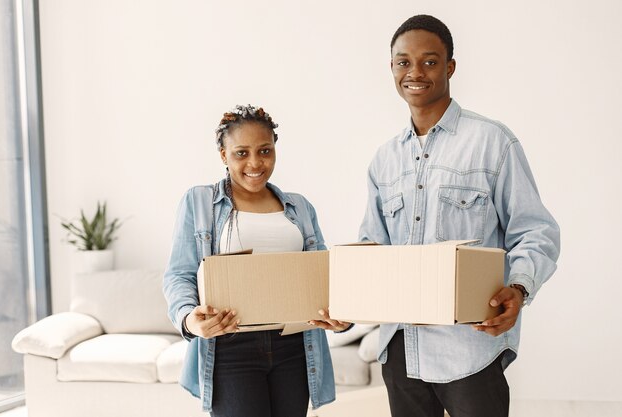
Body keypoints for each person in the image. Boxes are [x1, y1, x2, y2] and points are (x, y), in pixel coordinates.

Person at [358, 15, 561, 417]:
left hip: (469, 350)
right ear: (392, 68)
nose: (415, 72)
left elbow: (536, 230)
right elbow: (371, 246)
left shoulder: (492, 142)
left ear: (450, 66)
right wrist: (345, 299)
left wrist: (518, 289)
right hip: (400, 350)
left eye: (429, 61)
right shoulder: (384, 160)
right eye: (403, 62)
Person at [163, 104, 349, 417]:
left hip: (295, 348)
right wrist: (188, 319)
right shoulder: (200, 202)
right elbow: (179, 274)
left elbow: (325, 275)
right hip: (230, 349)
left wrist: (344, 315)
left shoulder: (300, 207)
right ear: (223, 154)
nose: (255, 163)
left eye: (265, 151)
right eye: (241, 153)